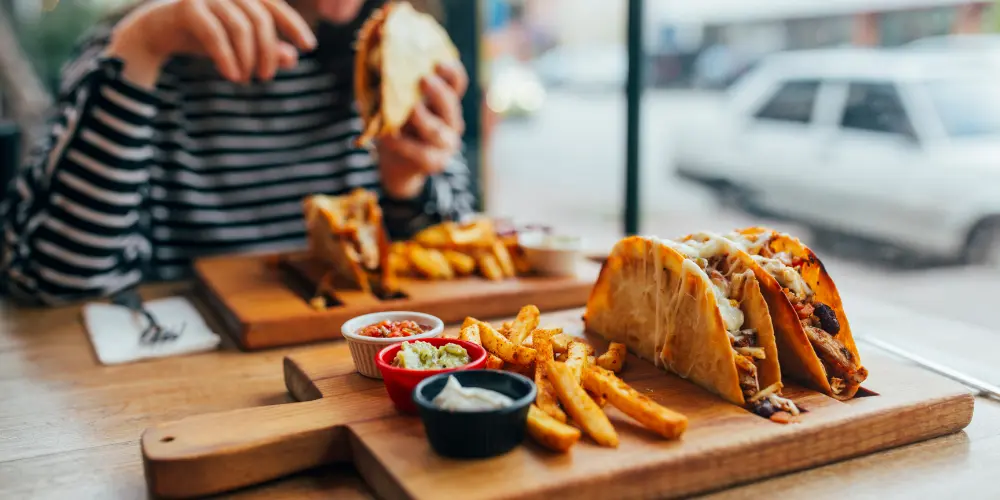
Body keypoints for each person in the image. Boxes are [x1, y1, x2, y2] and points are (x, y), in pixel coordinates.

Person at [0, 0, 474, 305]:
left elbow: (461, 271)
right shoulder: (129, 54)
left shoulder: (402, 56)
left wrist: (405, 185)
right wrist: (144, 46)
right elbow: (48, 281)